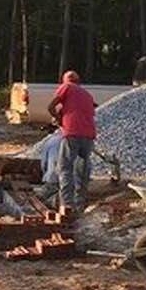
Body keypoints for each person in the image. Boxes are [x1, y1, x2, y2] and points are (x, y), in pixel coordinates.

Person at [46, 70, 97, 213]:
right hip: (89, 134)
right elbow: (83, 111)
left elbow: (51, 107)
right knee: (83, 169)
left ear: (65, 81)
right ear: (79, 81)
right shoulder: (87, 95)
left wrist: (59, 118)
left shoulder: (67, 87)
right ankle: (80, 204)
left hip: (72, 134)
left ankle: (67, 205)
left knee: (65, 168)